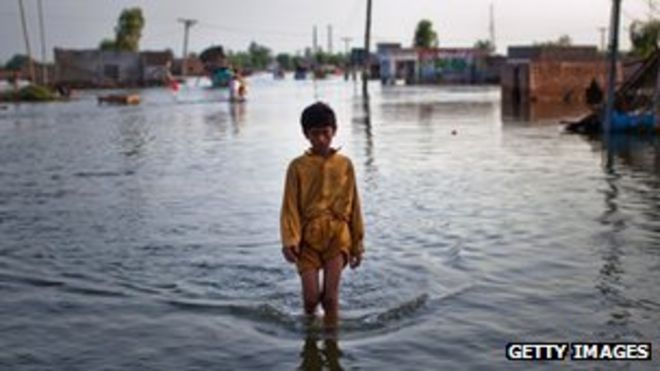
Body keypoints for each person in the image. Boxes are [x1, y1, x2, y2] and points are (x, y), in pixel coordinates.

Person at [280, 101, 364, 327]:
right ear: (305, 134)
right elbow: (289, 205)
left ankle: (332, 342)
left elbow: (354, 204)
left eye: (325, 133)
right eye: (314, 134)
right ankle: (310, 342)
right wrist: (289, 239)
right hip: (307, 240)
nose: (321, 140)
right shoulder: (297, 167)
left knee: (329, 298)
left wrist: (357, 243)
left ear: (334, 131)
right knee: (310, 300)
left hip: (338, 236)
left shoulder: (345, 165)